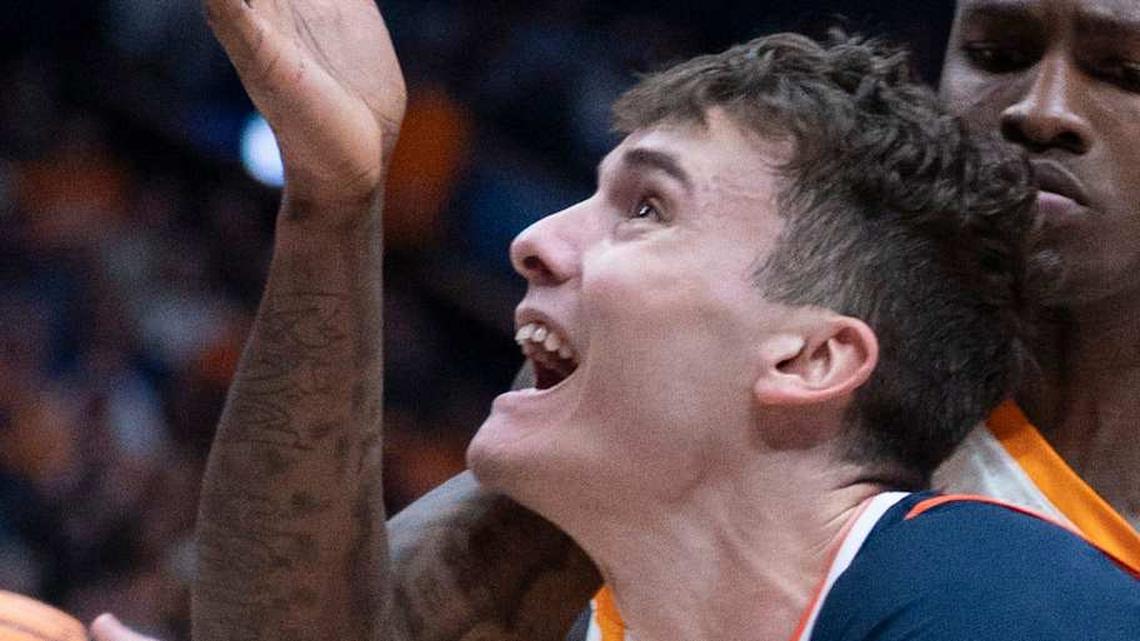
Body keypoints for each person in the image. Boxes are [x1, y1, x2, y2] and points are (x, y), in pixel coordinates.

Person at [169, 0, 1140, 639]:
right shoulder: (676, 377)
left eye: (1125, 69)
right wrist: (336, 207)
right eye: (996, 54)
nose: (1041, 109)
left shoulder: (1009, 588)